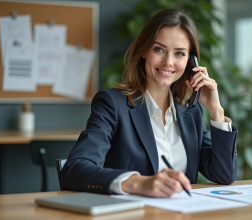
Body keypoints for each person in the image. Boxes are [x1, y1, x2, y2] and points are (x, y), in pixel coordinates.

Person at [60, 9, 238, 198]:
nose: (168, 61)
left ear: (190, 63)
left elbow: (224, 174)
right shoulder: (113, 104)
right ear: (144, 51)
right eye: (159, 49)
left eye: (179, 53)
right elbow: (74, 169)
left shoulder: (190, 114)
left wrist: (215, 111)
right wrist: (139, 182)